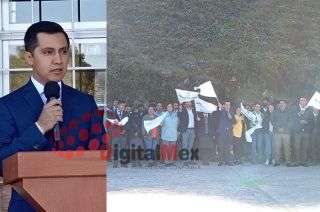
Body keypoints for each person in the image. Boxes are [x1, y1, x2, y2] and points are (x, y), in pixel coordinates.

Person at [0, 21, 106, 211]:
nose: (58, 60)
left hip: (81, 204)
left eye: (63, 51)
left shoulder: (85, 103)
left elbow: (103, 159)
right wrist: (39, 128)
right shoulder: (7, 106)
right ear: (29, 57)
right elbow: (1, 164)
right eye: (48, 52)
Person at [291, 97, 313, 167]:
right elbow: (293, 118)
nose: (303, 101)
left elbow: (311, 120)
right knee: (297, 146)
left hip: (306, 131)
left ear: (306, 102)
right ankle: (297, 161)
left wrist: (306, 122)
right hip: (297, 131)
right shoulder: (295, 109)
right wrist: (299, 122)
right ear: (299, 101)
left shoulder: (309, 110)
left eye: (304, 100)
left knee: (305, 147)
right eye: (301, 100)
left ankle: (303, 161)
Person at [271, 100, 292, 166]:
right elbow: (272, 121)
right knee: (277, 147)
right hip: (277, 132)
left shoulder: (289, 112)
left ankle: (288, 162)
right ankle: (277, 161)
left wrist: (284, 128)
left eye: (282, 103)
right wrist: (278, 128)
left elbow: (291, 122)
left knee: (287, 147)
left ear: (285, 104)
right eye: (280, 103)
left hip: (286, 132)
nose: (281, 104)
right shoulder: (275, 112)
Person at [216, 100, 236, 166]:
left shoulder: (231, 112)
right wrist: (219, 107)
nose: (228, 106)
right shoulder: (221, 111)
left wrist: (231, 118)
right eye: (226, 104)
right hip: (221, 132)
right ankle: (220, 161)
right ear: (224, 105)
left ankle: (227, 161)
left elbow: (234, 122)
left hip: (229, 133)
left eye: (229, 105)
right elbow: (217, 113)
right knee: (221, 147)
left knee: (228, 147)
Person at [111, 101, 130, 168]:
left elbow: (128, 123)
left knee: (123, 148)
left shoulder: (126, 113)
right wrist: (112, 124)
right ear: (118, 106)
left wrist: (124, 130)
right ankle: (115, 163)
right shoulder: (113, 113)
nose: (122, 107)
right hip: (115, 134)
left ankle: (123, 163)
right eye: (121, 105)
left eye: (123, 106)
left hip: (124, 134)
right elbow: (110, 123)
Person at [178, 101, 197, 165]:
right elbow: (179, 116)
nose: (188, 103)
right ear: (185, 104)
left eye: (189, 102)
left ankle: (189, 160)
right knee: (184, 145)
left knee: (190, 146)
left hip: (192, 130)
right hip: (185, 130)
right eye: (187, 102)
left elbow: (196, 119)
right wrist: (180, 110)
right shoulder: (183, 110)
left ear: (191, 103)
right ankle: (185, 160)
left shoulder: (194, 111)